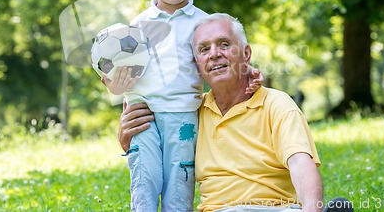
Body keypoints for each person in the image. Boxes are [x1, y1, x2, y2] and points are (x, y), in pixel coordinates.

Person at [118, 13, 354, 212]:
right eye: (203, 49)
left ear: (246, 54)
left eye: (224, 44)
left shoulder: (276, 103)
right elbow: (163, 157)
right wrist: (128, 140)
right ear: (197, 67)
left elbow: (301, 163)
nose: (214, 54)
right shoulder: (190, 113)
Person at [101, 0, 263, 212]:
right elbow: (114, 70)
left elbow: (223, 56)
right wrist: (111, 81)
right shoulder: (137, 26)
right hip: (144, 115)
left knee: (180, 183)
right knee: (145, 180)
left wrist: (248, 71)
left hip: (184, 115)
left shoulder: (203, 24)